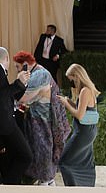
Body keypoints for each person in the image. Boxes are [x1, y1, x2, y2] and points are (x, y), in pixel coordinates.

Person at [13, 51, 70, 185]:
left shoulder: (40, 74)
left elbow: (23, 98)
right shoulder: (40, 72)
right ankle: (47, 181)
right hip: (41, 119)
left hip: (42, 121)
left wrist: (17, 83)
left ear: (25, 64)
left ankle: (46, 181)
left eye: (17, 66)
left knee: (43, 151)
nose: (17, 70)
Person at [57, 64, 100, 186]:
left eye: (71, 80)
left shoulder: (84, 91)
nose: (71, 83)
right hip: (88, 131)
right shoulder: (89, 89)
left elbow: (79, 115)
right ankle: (86, 186)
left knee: (64, 161)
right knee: (84, 161)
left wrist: (66, 104)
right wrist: (70, 101)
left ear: (77, 77)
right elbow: (83, 109)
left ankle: (74, 187)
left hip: (83, 132)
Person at [0, 46, 32, 185]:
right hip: (5, 124)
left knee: (9, 157)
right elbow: (3, 95)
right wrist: (18, 82)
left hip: (5, 122)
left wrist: (22, 83)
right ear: (6, 58)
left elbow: (9, 94)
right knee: (26, 156)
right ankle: (9, 185)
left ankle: (9, 185)